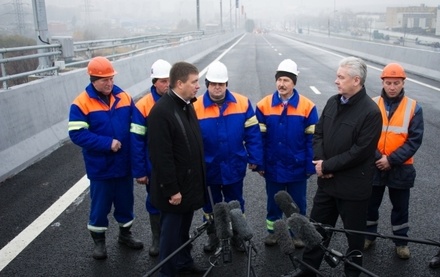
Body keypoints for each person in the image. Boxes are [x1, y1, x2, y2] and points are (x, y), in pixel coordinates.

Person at [289, 57, 382, 277]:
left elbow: (361, 152)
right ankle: (307, 270)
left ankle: (352, 273)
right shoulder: (333, 102)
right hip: (327, 184)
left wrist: (327, 165)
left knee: (354, 237)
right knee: (316, 231)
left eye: (341, 77)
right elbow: (318, 133)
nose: (336, 81)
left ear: (356, 80)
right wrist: (321, 162)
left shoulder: (371, 112)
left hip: (353, 189)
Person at [68, 56, 143, 260]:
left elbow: (136, 126)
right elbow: (76, 133)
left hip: (123, 164)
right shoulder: (81, 103)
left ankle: (125, 235)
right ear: (93, 80)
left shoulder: (124, 97)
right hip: (101, 167)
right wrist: (106, 143)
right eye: (104, 80)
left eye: (111, 78)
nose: (109, 83)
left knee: (125, 203)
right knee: (100, 206)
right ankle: (99, 242)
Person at [193, 60, 263, 253]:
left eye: (221, 84)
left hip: (234, 165)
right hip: (208, 168)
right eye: (214, 84)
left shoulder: (242, 103)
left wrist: (255, 158)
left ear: (226, 84)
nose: (217, 87)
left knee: (235, 204)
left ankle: (238, 236)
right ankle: (213, 236)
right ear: (207, 84)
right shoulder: (195, 106)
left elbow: (252, 133)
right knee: (210, 206)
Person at [148, 61, 208, 277]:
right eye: (194, 82)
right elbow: (161, 157)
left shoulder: (186, 104)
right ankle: (168, 272)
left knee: (183, 232)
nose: (198, 86)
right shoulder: (161, 112)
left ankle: (183, 263)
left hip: (189, 185)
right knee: (171, 235)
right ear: (180, 83)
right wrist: (172, 189)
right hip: (174, 191)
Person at [255, 59, 319, 247]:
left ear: (294, 83)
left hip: (297, 165)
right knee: (274, 202)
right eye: (279, 80)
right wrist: (260, 163)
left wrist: (309, 166)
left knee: (297, 203)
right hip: (273, 165)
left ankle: (297, 233)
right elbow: (259, 138)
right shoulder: (263, 105)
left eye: (286, 81)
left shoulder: (307, 106)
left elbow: (312, 140)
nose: (282, 84)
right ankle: (274, 232)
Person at [364, 63, 424, 260]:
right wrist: (378, 158)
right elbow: (365, 136)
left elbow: (414, 140)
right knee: (370, 204)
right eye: (388, 82)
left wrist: (390, 160)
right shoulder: (372, 104)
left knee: (400, 207)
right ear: (382, 82)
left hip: (400, 167)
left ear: (403, 83)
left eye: (396, 83)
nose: (392, 87)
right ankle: (369, 236)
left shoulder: (414, 107)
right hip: (375, 165)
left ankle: (401, 242)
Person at [130, 59, 172, 257]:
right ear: (155, 82)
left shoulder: (180, 100)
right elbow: (137, 140)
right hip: (152, 166)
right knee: (155, 201)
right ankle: (157, 238)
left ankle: (175, 238)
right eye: (163, 81)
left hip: (175, 164)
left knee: (178, 201)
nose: (167, 84)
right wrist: (139, 171)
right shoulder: (143, 106)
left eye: (169, 80)